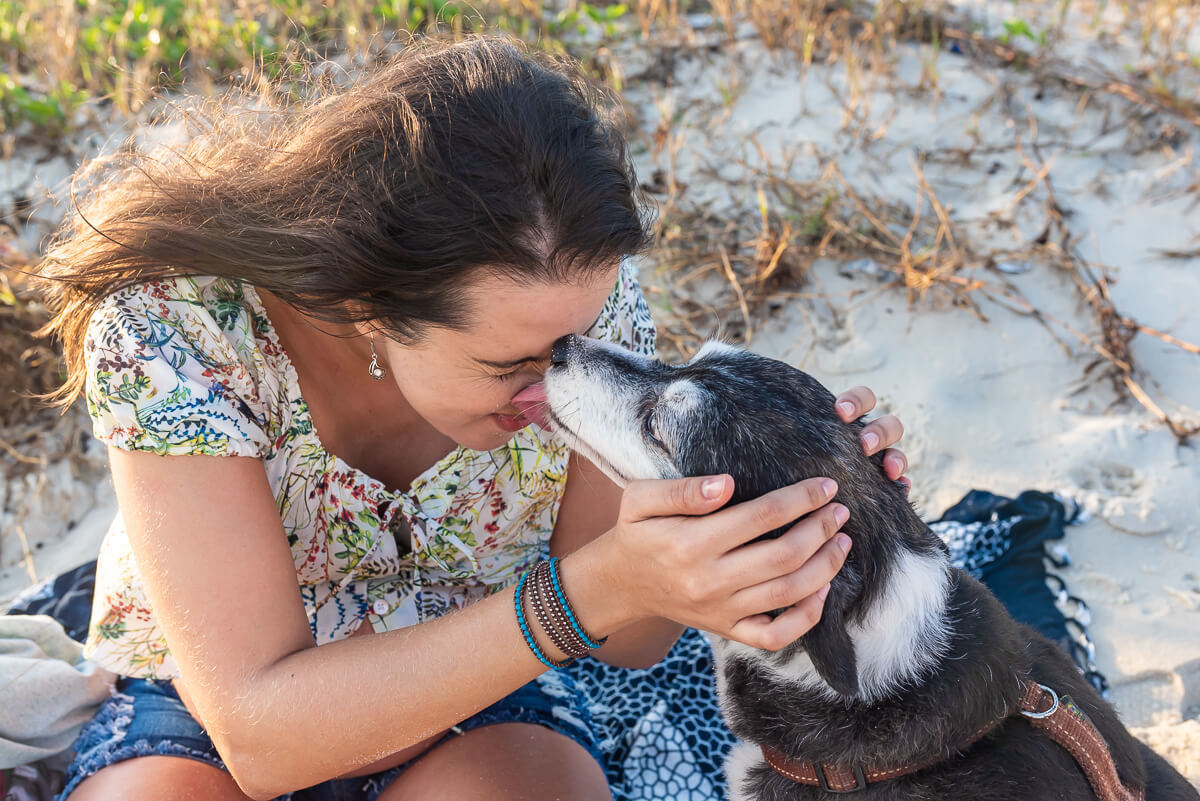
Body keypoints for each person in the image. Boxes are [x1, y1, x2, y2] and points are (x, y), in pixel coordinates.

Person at [34, 36, 909, 801]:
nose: (556, 385)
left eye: (578, 336)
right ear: (366, 302)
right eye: (507, 364)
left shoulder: (582, 319)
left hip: (486, 695)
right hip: (205, 716)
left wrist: (761, 533)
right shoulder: (174, 328)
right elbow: (260, 737)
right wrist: (588, 591)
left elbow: (637, 639)